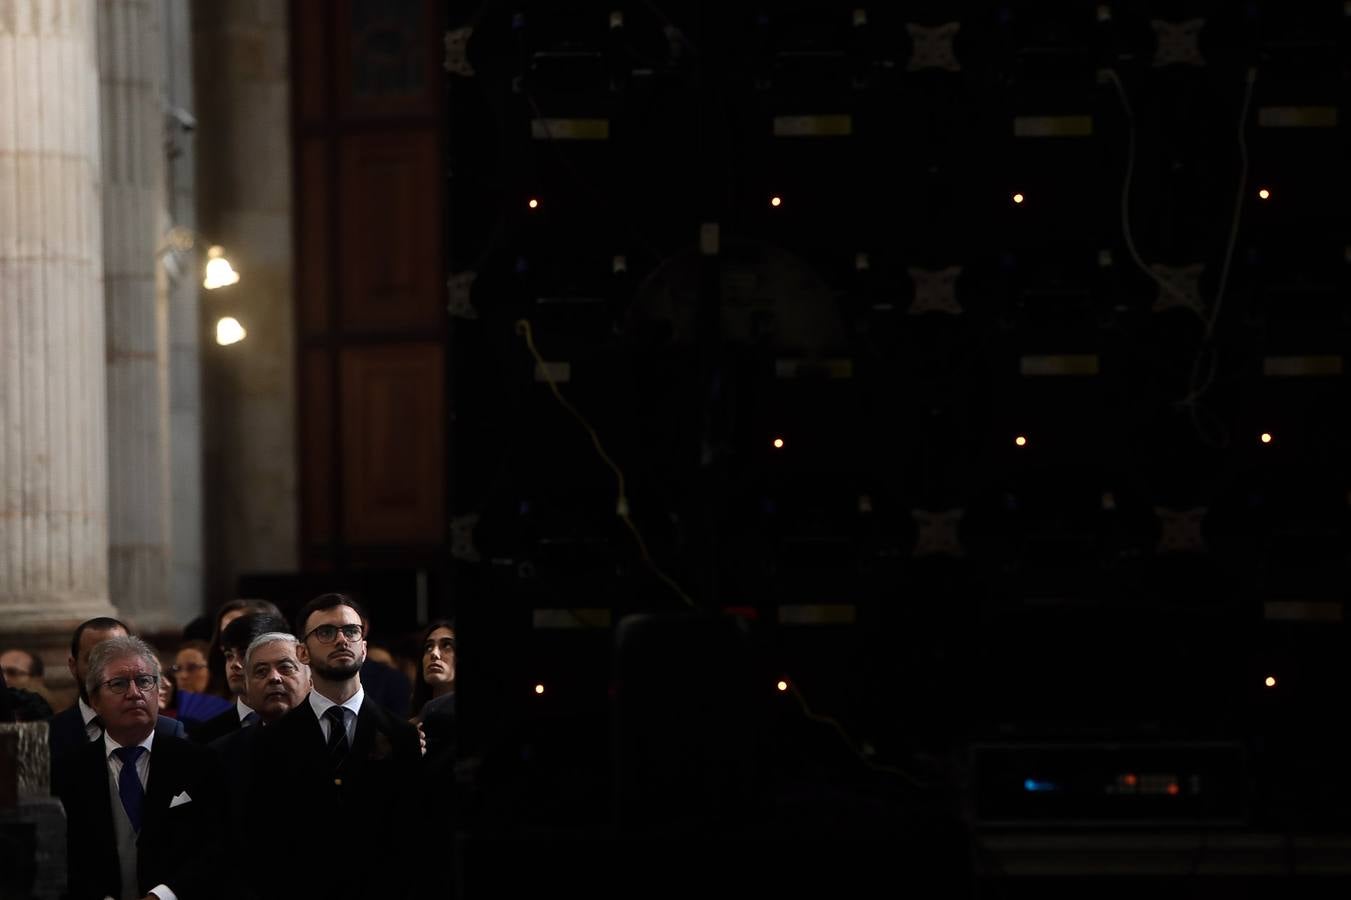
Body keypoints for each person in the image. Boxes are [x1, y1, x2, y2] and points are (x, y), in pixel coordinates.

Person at [252, 594, 421, 900]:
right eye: (326, 632)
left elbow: (413, 837)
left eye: (351, 631)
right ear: (302, 652)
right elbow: (267, 840)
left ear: (364, 647)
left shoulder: (400, 735)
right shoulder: (272, 740)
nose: (341, 639)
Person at [59, 634, 225, 899]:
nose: (134, 693)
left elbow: (218, 846)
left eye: (145, 681)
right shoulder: (69, 771)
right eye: (119, 684)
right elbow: (63, 857)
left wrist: (163, 895)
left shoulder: (199, 763)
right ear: (94, 700)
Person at [49, 617, 186, 796]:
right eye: (95, 659)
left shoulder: (169, 731)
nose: (110, 669)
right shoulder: (50, 735)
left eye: (119, 656)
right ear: (73, 666)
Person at [191, 614, 289, 745]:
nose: (234, 664)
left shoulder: (315, 722)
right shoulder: (205, 734)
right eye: (229, 655)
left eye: (244, 654)